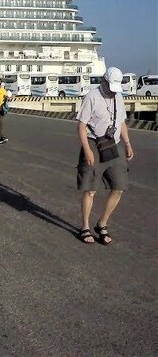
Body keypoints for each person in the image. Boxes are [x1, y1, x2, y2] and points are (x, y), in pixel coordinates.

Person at [75, 66, 135, 245]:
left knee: (119, 186)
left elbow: (122, 122)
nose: (112, 91)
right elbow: (81, 125)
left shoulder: (118, 96)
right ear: (104, 81)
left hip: (114, 145)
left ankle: (102, 223)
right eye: (110, 87)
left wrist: (127, 143)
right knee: (91, 189)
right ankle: (85, 227)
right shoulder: (92, 96)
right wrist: (87, 150)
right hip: (94, 143)